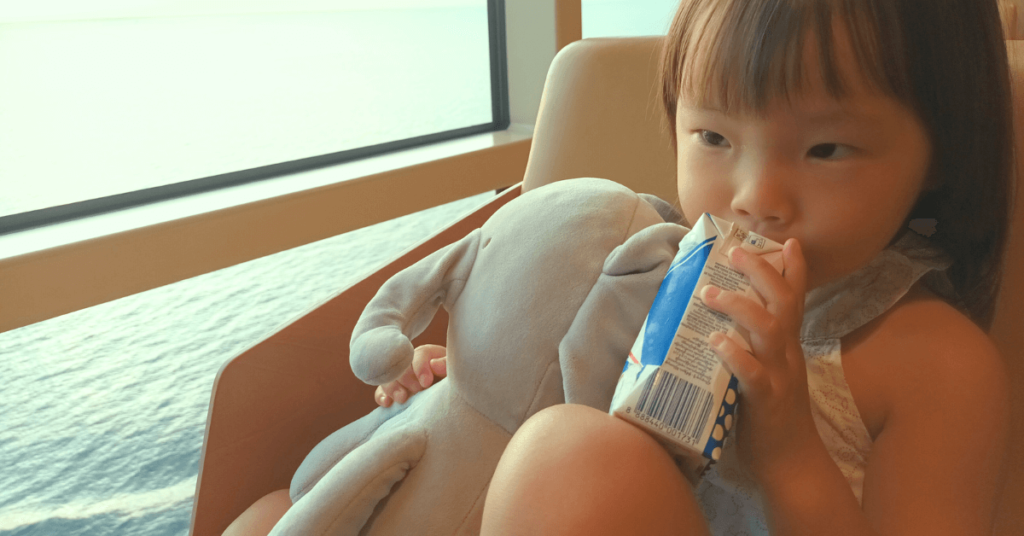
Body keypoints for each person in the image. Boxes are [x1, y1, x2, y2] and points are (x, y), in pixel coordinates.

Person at [223, 0, 1016, 534]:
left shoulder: (937, 365)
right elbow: (562, 378)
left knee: (573, 454)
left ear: (938, 155)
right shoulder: (664, 273)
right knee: (261, 516)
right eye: (713, 138)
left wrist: (787, 443)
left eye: (827, 149)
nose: (755, 197)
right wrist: (463, 372)